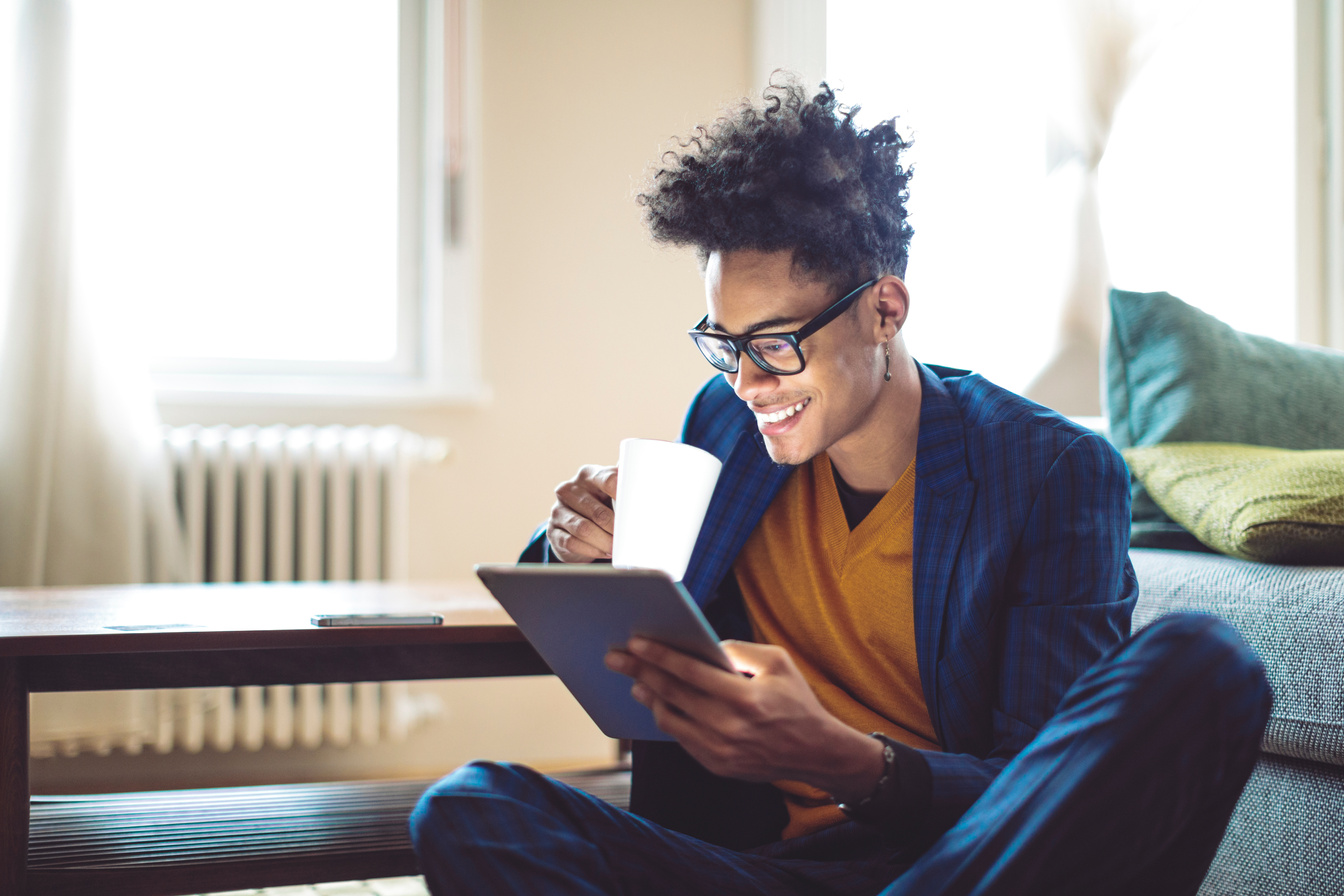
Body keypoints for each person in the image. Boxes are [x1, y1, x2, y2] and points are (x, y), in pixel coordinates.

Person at [410, 80, 1271, 895]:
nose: (748, 382)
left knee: (1209, 663)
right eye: (726, 343)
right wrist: (569, 546)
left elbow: (1043, 788)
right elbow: (623, 629)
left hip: (962, 865)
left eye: (778, 343)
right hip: (759, 869)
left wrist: (841, 758)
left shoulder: (1048, 471)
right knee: (474, 808)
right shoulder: (722, 427)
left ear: (885, 311)